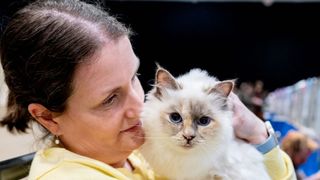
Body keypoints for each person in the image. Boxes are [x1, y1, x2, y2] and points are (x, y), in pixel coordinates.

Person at [0, 0, 295, 179]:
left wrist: (259, 136)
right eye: (109, 99)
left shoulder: (133, 148)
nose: (138, 107)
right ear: (48, 117)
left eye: (133, 78)